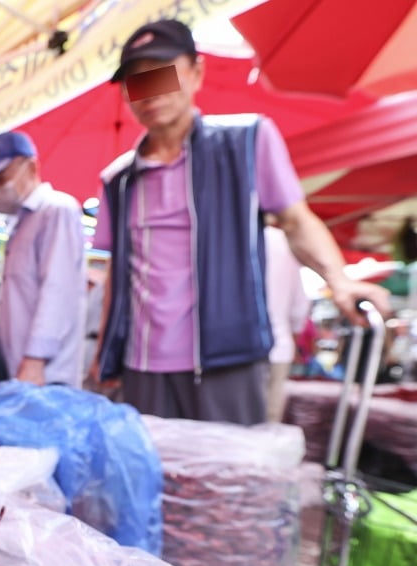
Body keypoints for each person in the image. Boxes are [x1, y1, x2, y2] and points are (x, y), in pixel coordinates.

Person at [92, 19, 390, 424]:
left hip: (227, 357)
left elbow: (295, 220)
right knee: (154, 480)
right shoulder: (117, 181)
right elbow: (117, 274)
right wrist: (103, 354)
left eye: (160, 72)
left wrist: (339, 280)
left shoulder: (246, 142)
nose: (149, 89)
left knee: (227, 479)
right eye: (134, 80)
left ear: (196, 72)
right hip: (142, 363)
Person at [0, 131, 86, 387]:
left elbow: (57, 290)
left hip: (44, 376)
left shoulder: (56, 211)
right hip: (17, 372)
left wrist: (35, 360)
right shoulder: (20, 224)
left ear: (31, 167)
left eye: (0, 178)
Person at [264, 221, 312, 422]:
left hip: (226, 348)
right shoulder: (284, 242)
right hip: (277, 347)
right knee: (267, 420)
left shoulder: (224, 234)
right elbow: (299, 308)